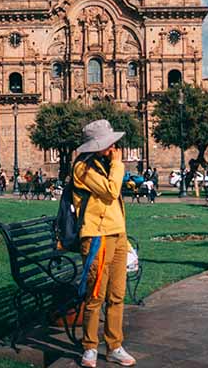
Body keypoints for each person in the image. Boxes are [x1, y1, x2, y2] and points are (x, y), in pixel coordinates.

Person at [71, 120, 137, 368]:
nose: (113, 148)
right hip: (97, 237)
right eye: (108, 144)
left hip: (118, 235)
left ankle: (114, 346)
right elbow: (110, 191)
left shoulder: (105, 164)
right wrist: (118, 163)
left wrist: (124, 237)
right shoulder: (82, 169)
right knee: (96, 294)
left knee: (117, 295)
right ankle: (89, 347)